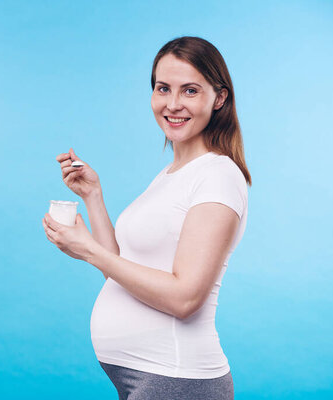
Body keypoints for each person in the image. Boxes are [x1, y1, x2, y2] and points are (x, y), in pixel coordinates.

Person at [42, 36, 251, 400]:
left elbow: (185, 298)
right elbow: (120, 271)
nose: (172, 104)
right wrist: (93, 196)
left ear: (219, 98)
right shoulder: (171, 174)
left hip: (176, 379)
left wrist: (88, 250)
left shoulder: (217, 175)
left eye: (189, 90)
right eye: (162, 89)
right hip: (152, 379)